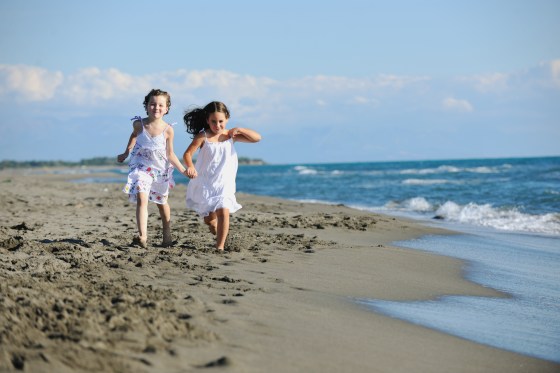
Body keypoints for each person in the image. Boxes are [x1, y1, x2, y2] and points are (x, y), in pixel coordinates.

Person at [183, 101, 261, 251]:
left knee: (224, 210)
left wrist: (240, 129)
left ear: (227, 119)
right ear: (207, 120)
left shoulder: (231, 136)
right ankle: (217, 231)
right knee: (210, 221)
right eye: (213, 121)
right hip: (206, 183)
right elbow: (187, 154)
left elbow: (257, 138)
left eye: (221, 121)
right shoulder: (203, 136)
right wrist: (191, 167)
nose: (217, 125)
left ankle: (220, 247)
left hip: (224, 182)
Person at [117, 89, 188, 248]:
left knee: (162, 202)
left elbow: (171, 154)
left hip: (160, 170)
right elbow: (134, 135)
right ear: (147, 106)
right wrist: (126, 152)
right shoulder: (139, 124)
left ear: (167, 108)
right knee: (142, 198)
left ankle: (167, 232)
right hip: (141, 167)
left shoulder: (168, 129)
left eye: (161, 105)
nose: (156, 107)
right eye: (153, 104)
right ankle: (142, 237)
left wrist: (183, 170)